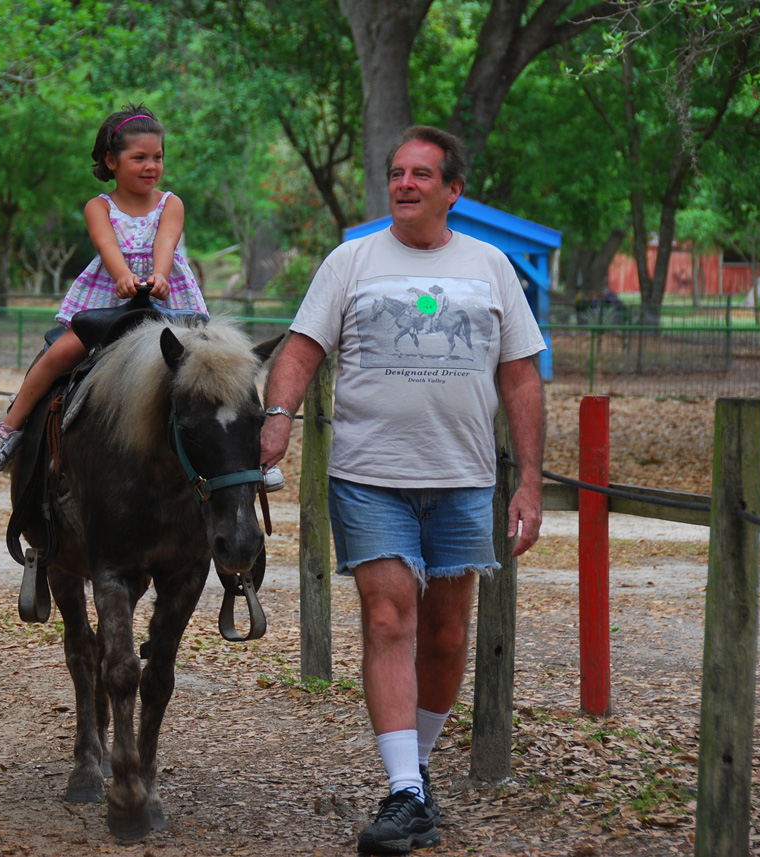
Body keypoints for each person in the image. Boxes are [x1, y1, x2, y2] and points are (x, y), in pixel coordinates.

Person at [259, 126, 545, 855]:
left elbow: (519, 375)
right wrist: (277, 417)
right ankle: (404, 792)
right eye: (397, 173)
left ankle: (415, 767)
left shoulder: (490, 267)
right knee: (390, 619)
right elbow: (300, 349)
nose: (406, 184)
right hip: (369, 476)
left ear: (453, 190)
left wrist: (531, 482)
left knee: (446, 636)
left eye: (422, 174)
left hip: (463, 480)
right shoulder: (351, 261)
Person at [0, 104, 285, 490]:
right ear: (111, 160)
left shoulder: (171, 203)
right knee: (61, 352)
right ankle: (10, 427)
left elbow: (166, 244)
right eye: (139, 158)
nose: (151, 166)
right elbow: (107, 246)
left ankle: (254, 450)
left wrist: (158, 275)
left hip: (166, 295)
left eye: (157, 157)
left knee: (218, 361)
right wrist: (122, 277)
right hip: (111, 296)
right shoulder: (98, 207)